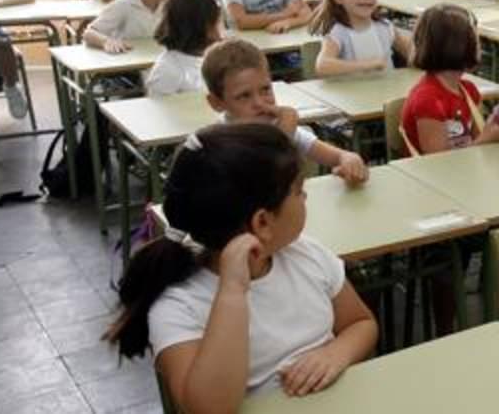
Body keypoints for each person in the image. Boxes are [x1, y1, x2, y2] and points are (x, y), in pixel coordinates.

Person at [104, 124, 377, 409]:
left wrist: (336, 353)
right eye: (299, 191)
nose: (305, 198)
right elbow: (209, 408)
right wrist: (232, 291)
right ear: (262, 222)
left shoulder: (306, 254)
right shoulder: (178, 304)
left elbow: (361, 323)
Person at [202, 39, 368, 186]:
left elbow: (337, 156)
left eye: (265, 89)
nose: (259, 103)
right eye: (244, 96)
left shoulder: (274, 124)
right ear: (217, 103)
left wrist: (349, 160)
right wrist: (285, 134)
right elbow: (260, 185)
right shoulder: (218, 144)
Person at [400, 3, 499, 155]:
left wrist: (493, 127)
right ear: (457, 46)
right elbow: (438, 160)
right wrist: (489, 138)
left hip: (462, 170)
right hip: (431, 176)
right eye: (476, 38)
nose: (479, 45)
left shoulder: (468, 90)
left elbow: (475, 142)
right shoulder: (427, 99)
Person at [310, 0, 414, 77]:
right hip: (353, 94)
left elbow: (413, 53)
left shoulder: (386, 27)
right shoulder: (339, 32)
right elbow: (322, 65)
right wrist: (367, 65)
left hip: (388, 93)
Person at [146, 0, 222, 97]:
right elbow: (159, 111)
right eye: (217, 23)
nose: (221, 30)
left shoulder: (212, 59)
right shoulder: (166, 72)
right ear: (203, 27)